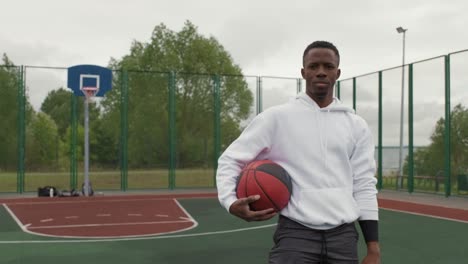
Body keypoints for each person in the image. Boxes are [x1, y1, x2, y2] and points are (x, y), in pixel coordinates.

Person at [216, 40, 380, 263]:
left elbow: (364, 183)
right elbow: (230, 160)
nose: (321, 72)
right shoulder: (276, 118)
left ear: (337, 72)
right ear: (303, 72)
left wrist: (373, 248)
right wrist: (229, 200)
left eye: (328, 67)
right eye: (314, 66)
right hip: (296, 233)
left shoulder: (356, 125)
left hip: (343, 237)